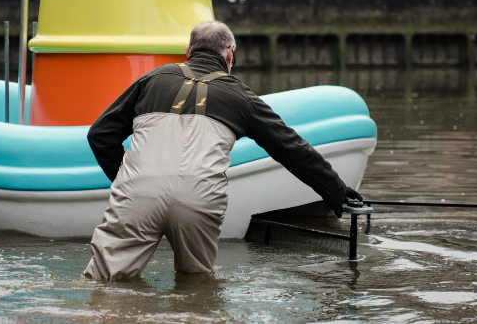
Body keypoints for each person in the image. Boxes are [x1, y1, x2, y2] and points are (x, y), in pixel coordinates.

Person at [84, 21, 362, 280]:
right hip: (199, 197)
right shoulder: (241, 96)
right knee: (196, 287)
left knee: (105, 283)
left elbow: (99, 135)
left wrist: (127, 179)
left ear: (187, 51)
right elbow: (292, 149)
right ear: (230, 54)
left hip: (138, 192)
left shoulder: (153, 79)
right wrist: (338, 192)